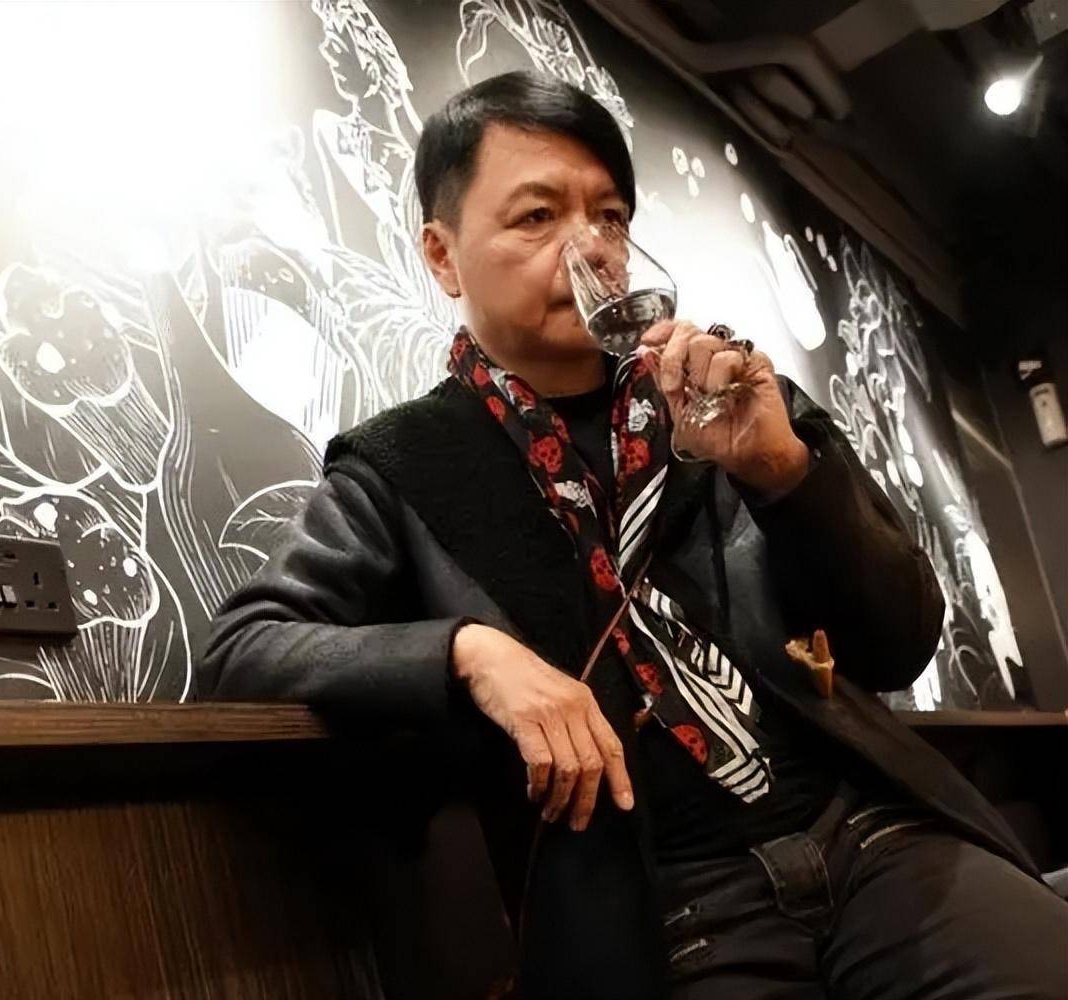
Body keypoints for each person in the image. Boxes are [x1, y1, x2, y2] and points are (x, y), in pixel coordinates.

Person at [198, 70, 1068, 1000]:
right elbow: (242, 651)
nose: (591, 248)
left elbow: (901, 643)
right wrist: (468, 653)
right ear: (443, 256)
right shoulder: (399, 464)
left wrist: (786, 475)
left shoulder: (734, 398)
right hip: (664, 914)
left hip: (873, 838)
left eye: (610, 217)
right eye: (538, 217)